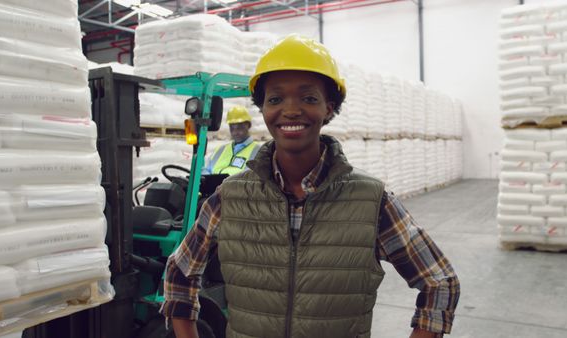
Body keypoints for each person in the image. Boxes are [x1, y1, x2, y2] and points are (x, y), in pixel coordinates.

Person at [161, 34, 460, 338]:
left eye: (308, 98)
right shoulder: (230, 197)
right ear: (262, 109)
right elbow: (180, 273)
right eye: (275, 99)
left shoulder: (370, 201)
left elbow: (439, 282)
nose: (291, 110)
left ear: (329, 108)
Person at [202, 105, 260, 175]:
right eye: (232, 128)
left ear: (248, 125)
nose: (235, 132)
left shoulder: (258, 151)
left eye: (239, 127)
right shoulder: (220, 150)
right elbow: (206, 171)